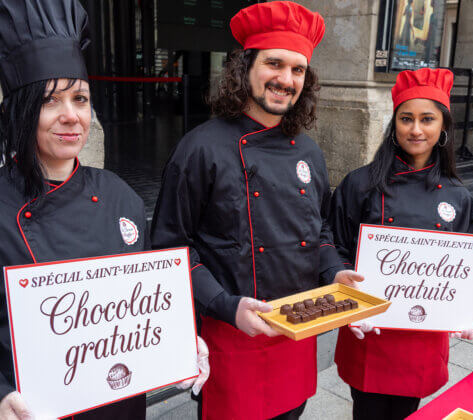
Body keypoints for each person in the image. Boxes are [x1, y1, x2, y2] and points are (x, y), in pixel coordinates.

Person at [0, 1, 207, 419]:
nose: (71, 116)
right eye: (50, 101)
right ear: (20, 111)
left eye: (81, 98)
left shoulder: (120, 196)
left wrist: (180, 341)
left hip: (122, 405)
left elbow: (144, 303)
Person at [149, 2, 363, 419]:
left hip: (296, 338)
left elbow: (318, 234)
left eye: (297, 70)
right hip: (230, 338)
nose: (285, 79)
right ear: (245, 67)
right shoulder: (200, 148)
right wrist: (226, 305)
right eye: (274, 64)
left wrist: (335, 272)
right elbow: (170, 250)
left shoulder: (309, 152)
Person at [328, 67, 473, 420]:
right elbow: (334, 249)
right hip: (370, 332)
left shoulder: (458, 197)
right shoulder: (359, 184)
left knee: (407, 414)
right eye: (406, 119)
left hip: (422, 340)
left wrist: (468, 305)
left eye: (427, 119)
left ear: (443, 127)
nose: (416, 129)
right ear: (394, 124)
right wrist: (346, 298)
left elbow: (466, 265)